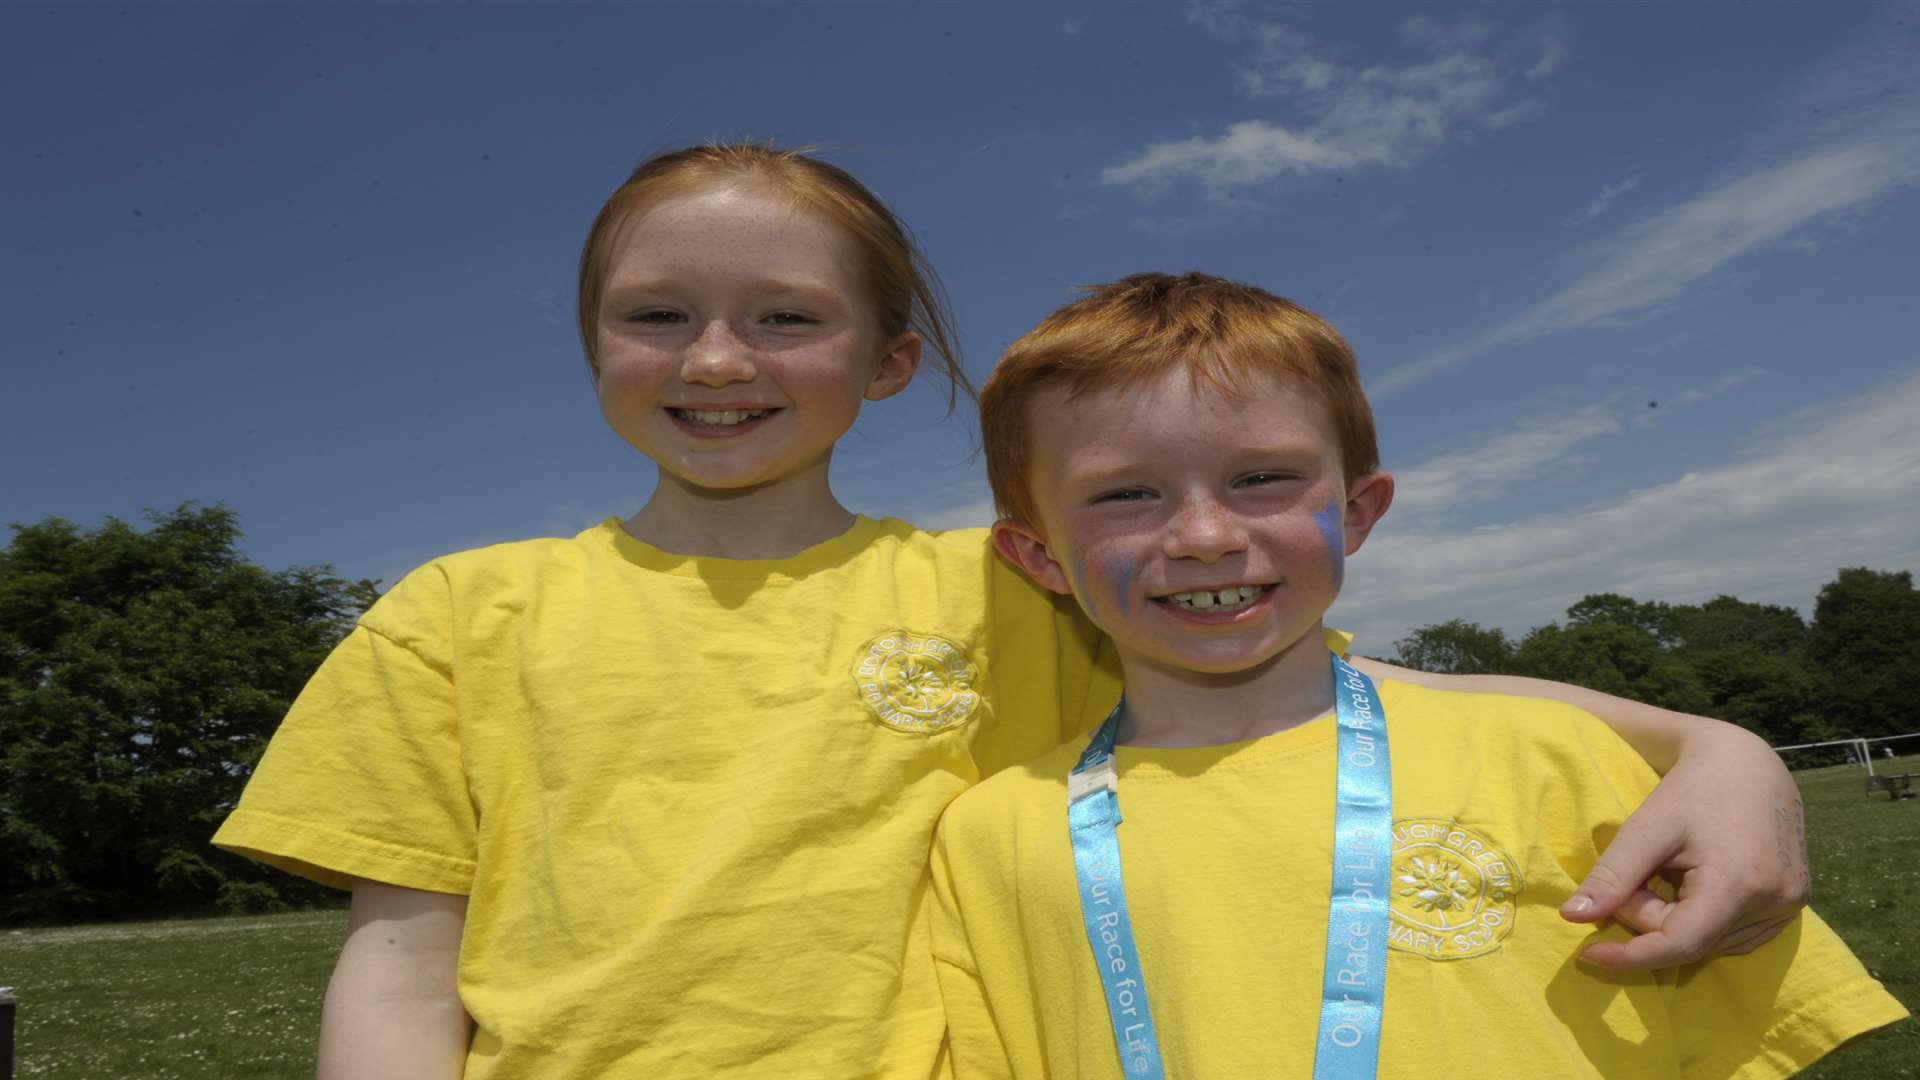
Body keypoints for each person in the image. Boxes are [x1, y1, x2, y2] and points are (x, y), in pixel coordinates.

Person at [213, 146, 1816, 1079]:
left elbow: (1346, 690)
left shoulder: (993, 577)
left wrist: (1717, 742)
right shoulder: (459, 611)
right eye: (659, 317)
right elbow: (401, 966)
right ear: (592, 345)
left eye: (786, 316)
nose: (718, 360)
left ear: (891, 358)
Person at [931, 272, 1907, 1078]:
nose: (1204, 536)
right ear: (1040, 558)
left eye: (1262, 477)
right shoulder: (992, 837)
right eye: (1127, 494)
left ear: (1358, 511)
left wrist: (1732, 748)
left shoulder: (1550, 755)